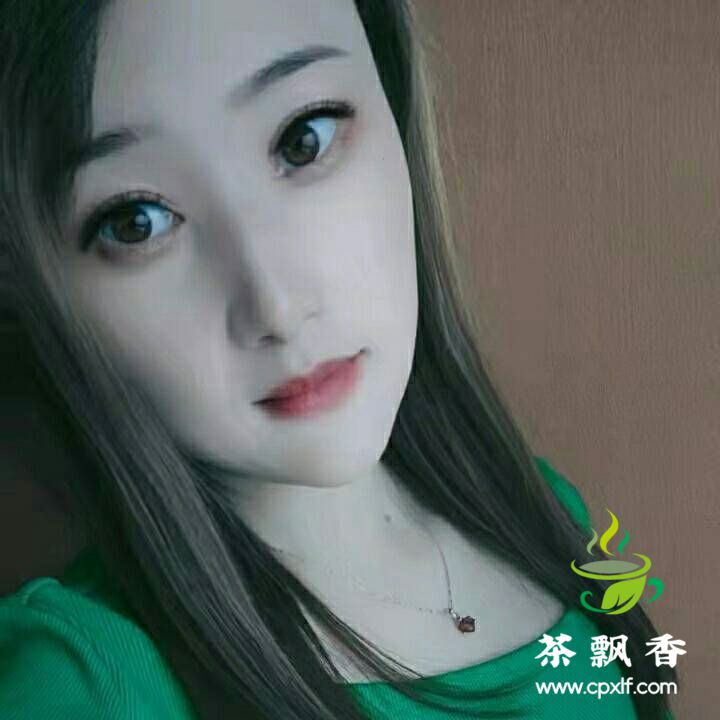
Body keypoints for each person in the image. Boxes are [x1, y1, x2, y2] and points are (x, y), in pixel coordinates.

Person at [0, 1, 676, 718]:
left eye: (304, 139)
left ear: (394, 102)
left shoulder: (541, 513)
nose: (278, 308)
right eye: (137, 223)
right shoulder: (83, 687)